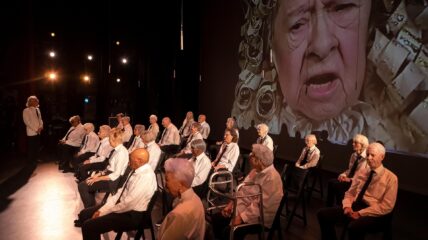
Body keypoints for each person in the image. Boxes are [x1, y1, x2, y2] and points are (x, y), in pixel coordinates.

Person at [317, 142, 398, 240]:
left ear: (382, 157)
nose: (369, 158)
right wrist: (347, 206)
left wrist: (360, 213)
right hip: (356, 205)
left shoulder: (391, 178)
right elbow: (350, 192)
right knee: (323, 214)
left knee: (354, 227)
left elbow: (386, 206)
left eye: (372, 155)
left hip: (374, 212)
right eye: (367, 154)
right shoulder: (363, 172)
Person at [78, 148, 157, 240]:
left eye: (130, 158)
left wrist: (104, 211)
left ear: (139, 160)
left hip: (132, 214)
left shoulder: (145, 177)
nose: (128, 161)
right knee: (84, 214)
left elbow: (128, 203)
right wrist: (105, 207)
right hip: (123, 207)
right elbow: (120, 192)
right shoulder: (136, 169)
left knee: (89, 227)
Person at [211, 144, 283, 239]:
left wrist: (241, 218)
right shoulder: (255, 170)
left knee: (229, 232)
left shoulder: (272, 179)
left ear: (259, 161)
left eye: (253, 155)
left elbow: (260, 206)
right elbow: (241, 190)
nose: (250, 155)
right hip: (243, 207)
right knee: (217, 219)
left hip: (258, 217)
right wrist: (230, 205)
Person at [78, 128, 129, 208]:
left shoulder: (122, 153)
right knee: (84, 184)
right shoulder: (116, 150)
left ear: (113, 139)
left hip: (113, 181)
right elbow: (109, 167)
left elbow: (115, 174)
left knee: (82, 186)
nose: (108, 140)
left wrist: (98, 178)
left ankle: (89, 210)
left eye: (109, 138)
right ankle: (90, 208)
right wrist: (99, 174)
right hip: (108, 175)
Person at [158, 158, 206, 239]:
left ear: (181, 184)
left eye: (167, 180)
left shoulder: (179, 214)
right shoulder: (195, 197)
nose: (165, 184)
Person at [327, 134, 369, 207]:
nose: (353, 144)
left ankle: (341, 207)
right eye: (353, 142)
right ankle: (329, 206)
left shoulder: (367, 158)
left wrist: (349, 179)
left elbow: (362, 177)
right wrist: (343, 175)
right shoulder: (354, 155)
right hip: (350, 179)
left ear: (362, 145)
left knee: (337, 186)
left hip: (358, 183)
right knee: (331, 182)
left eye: (355, 143)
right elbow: (350, 170)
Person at [22, 95, 43, 165]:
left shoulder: (37, 109)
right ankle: (30, 161)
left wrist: (41, 127)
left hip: (38, 131)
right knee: (31, 148)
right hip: (31, 132)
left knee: (37, 146)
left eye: (36, 100)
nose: (37, 101)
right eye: (35, 100)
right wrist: (35, 129)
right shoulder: (26, 110)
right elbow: (27, 122)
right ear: (30, 102)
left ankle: (35, 159)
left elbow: (40, 119)